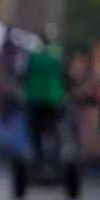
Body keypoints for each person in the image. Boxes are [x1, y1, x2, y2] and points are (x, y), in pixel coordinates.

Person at [23, 23, 68, 165]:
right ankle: (56, 157)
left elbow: (26, 76)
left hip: (36, 99)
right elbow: (65, 78)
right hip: (53, 99)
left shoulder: (34, 55)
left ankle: (40, 158)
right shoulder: (58, 55)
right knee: (53, 129)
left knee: (36, 131)